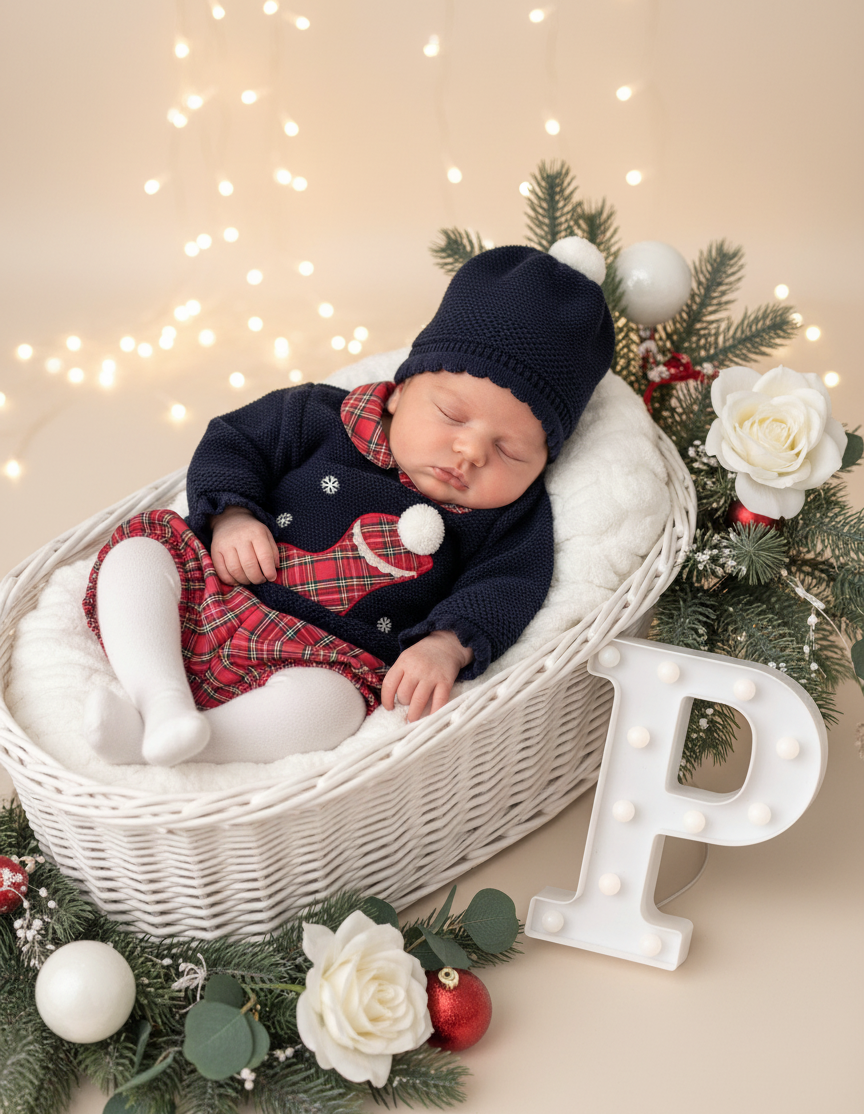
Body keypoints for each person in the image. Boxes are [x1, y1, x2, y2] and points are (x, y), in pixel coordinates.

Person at [81, 238, 614, 766]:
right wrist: (233, 515)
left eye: (509, 451)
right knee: (140, 555)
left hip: (319, 658)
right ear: (402, 389)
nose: (471, 452)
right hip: (215, 585)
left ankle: (193, 744)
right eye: (452, 416)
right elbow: (236, 440)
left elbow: (509, 585)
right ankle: (161, 698)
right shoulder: (320, 416)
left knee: (329, 711)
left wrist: (446, 644)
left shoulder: (509, 518)